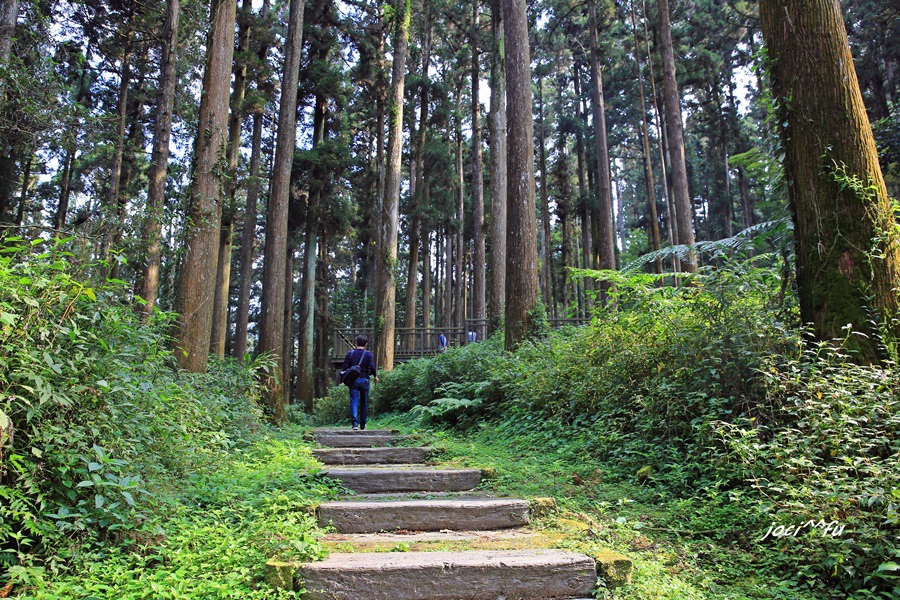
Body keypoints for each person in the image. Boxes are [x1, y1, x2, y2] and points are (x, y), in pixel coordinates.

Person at [343, 334, 377, 430]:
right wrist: (375, 376)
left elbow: (345, 367)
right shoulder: (368, 354)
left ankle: (354, 424)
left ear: (356, 343)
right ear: (366, 344)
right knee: (364, 402)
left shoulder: (350, 353)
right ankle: (363, 424)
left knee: (354, 401)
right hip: (365, 380)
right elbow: (372, 367)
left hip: (353, 381)